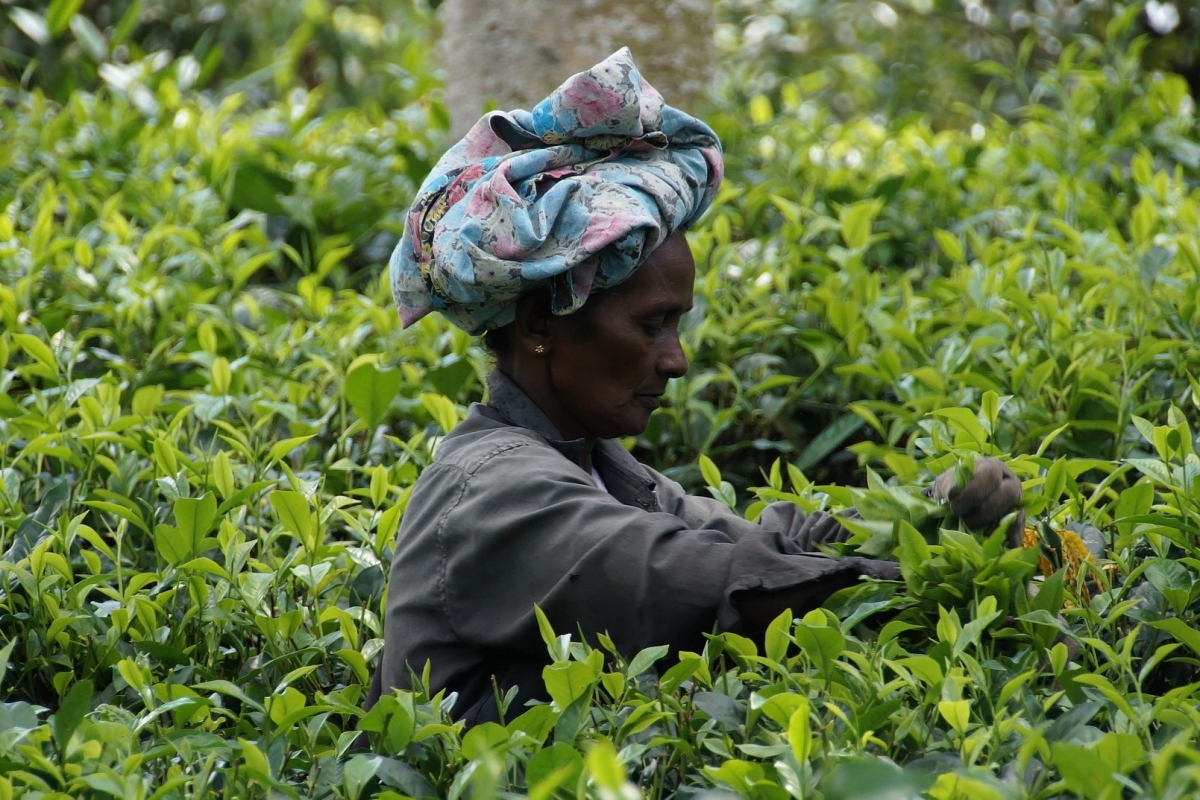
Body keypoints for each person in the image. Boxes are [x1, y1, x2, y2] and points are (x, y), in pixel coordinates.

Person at [367, 49, 1023, 725]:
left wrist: (931, 513)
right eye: (651, 326)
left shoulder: (601, 471)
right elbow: (699, 579)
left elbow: (766, 538)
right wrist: (915, 574)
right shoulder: (491, 491)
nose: (676, 361)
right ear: (540, 324)